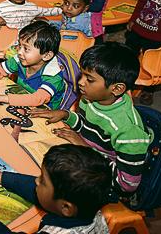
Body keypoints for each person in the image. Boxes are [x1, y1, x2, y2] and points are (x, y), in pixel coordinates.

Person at [30, 42, 152, 196]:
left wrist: (87, 149)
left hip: (105, 184)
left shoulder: (128, 131)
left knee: (48, 187)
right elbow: (87, 126)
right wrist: (66, 115)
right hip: (86, 158)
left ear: (117, 88)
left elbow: (126, 185)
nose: (80, 82)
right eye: (82, 75)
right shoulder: (92, 98)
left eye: (90, 79)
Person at [0, 144, 112, 234]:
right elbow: (35, 190)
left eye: (42, 181)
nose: (36, 181)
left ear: (65, 207)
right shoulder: (86, 204)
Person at [0, 21, 67, 109]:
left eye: (26, 49)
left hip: (43, 114)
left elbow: (37, 99)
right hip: (21, 102)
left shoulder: (53, 76)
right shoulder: (21, 60)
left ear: (46, 55)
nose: (19, 52)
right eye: (19, 46)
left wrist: (2, 98)